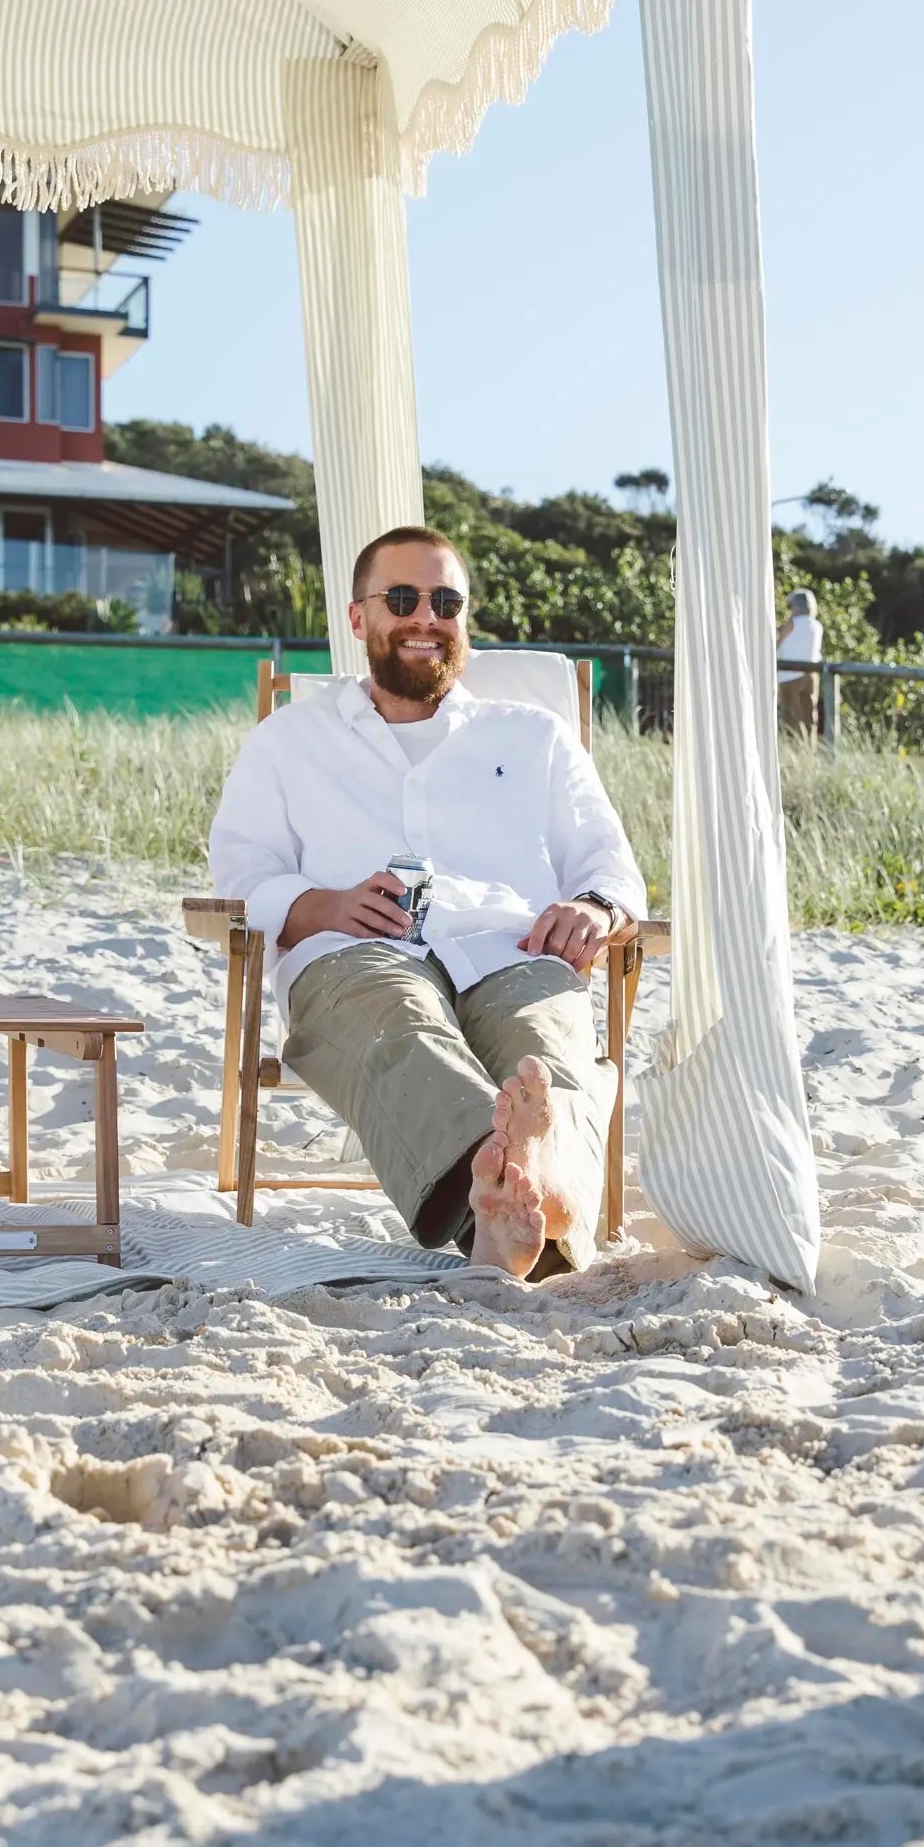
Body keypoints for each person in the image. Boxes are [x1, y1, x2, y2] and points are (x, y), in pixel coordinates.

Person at [209, 524, 645, 1280]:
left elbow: (610, 864)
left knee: (549, 1049)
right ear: (358, 618)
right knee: (399, 1025)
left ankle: (511, 1211)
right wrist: (322, 905)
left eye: (445, 600)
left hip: (512, 946)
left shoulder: (533, 736)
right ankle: (524, 1190)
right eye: (402, 598)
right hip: (356, 954)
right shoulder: (289, 741)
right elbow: (238, 876)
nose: (425, 618)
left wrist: (595, 909)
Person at [777, 586, 824, 736]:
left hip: (789, 675)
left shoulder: (792, 624)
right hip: (811, 674)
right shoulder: (817, 626)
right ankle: (810, 749)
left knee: (790, 717)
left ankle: (794, 751)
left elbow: (778, 642)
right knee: (809, 715)